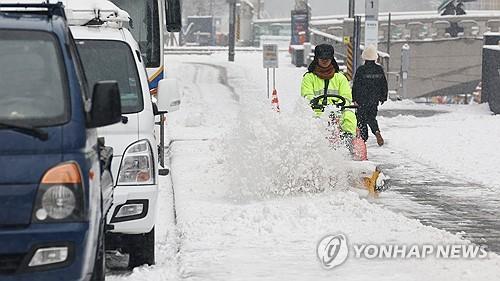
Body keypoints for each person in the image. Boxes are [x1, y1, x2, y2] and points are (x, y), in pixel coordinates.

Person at [301, 44, 357, 139]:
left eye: (327, 59)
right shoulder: (309, 77)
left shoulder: (340, 78)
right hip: (316, 112)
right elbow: (307, 94)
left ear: (331, 59)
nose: (324, 61)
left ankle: (349, 141)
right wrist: (314, 102)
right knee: (306, 121)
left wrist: (339, 105)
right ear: (317, 59)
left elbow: (346, 96)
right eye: (322, 59)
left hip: (337, 112)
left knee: (349, 116)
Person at [352, 45, 388, 146]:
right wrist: (383, 97)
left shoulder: (361, 70)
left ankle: (363, 140)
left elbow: (356, 85)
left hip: (362, 100)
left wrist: (354, 98)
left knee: (361, 119)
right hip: (374, 99)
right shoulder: (379, 69)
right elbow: (383, 84)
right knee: (371, 117)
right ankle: (376, 131)